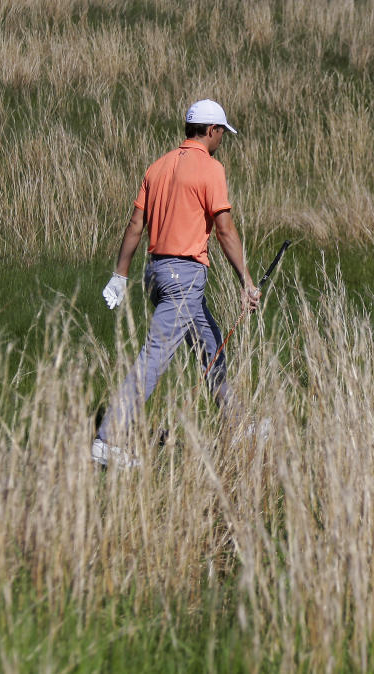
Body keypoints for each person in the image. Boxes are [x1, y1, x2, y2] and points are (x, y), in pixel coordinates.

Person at [92, 99, 261, 468]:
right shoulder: (211, 169)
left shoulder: (158, 167)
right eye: (222, 134)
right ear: (213, 131)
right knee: (154, 357)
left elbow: (136, 226)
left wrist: (120, 275)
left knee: (210, 343)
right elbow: (225, 230)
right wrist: (246, 282)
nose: (222, 140)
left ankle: (238, 423)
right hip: (183, 278)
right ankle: (108, 440)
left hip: (156, 275)